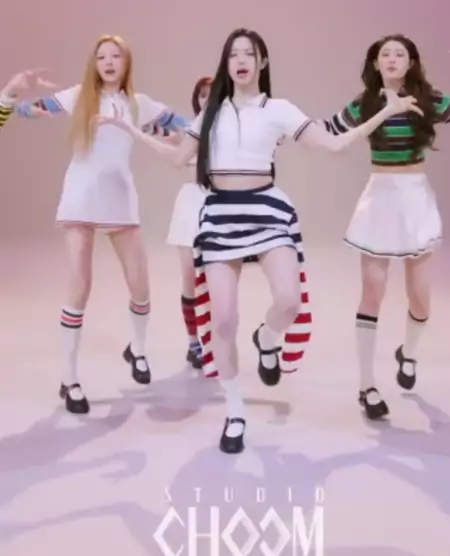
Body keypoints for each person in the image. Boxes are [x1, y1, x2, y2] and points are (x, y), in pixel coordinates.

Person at [96, 28, 420, 453]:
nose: (241, 60)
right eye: (234, 54)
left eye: (249, 53)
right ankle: (234, 411)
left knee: (289, 301)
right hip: (220, 214)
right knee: (223, 320)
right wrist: (131, 129)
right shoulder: (211, 112)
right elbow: (177, 158)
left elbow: (335, 145)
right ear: (226, 64)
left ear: (262, 62)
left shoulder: (278, 109)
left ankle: (268, 339)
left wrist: (384, 113)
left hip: (267, 209)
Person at [15, 34, 189, 414]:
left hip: (120, 198)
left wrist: (191, 130)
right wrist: (21, 100)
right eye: (102, 57)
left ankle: (137, 349)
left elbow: (185, 126)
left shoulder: (139, 104)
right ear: (94, 64)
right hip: (82, 195)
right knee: (79, 286)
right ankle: (69, 378)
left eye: (116, 56)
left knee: (140, 284)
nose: (109, 62)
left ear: (127, 63)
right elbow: (27, 110)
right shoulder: (79, 95)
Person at [323, 34, 450, 421]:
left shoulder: (429, 100)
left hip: (415, 201)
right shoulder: (364, 104)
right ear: (376, 63)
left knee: (421, 299)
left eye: (400, 54)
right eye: (385, 54)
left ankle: (408, 354)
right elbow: (326, 132)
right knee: (372, 293)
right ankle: (366, 386)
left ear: (411, 63)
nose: (392, 59)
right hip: (380, 199)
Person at [166, 76, 212, 369]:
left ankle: (212, 341)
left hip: (221, 205)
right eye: (202, 94)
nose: (207, 98)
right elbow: (166, 138)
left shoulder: (231, 129)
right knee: (190, 279)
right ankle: (194, 343)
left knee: (218, 282)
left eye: (212, 94)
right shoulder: (187, 129)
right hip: (191, 204)